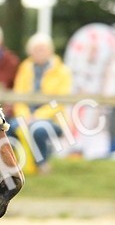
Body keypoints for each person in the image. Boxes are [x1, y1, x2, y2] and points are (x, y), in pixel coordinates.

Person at [12, 33, 73, 173]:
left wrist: (38, 116)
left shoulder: (62, 71)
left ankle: (42, 165)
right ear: (30, 51)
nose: (40, 52)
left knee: (38, 129)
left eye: (43, 49)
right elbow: (18, 96)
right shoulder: (25, 68)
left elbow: (59, 102)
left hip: (53, 118)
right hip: (26, 116)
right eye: (36, 49)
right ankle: (13, 166)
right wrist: (25, 115)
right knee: (9, 129)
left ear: (50, 51)